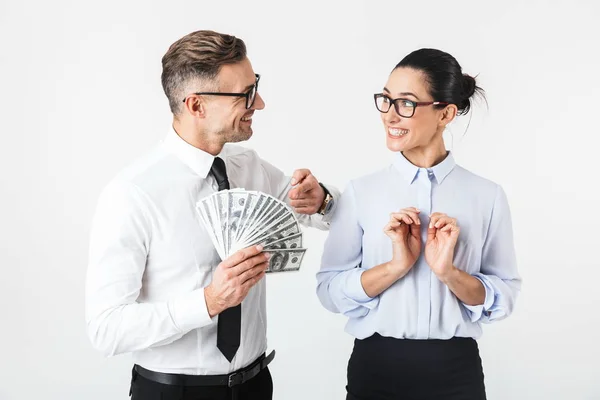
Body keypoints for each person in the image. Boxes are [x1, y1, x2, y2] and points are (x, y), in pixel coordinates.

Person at [85, 30, 338, 400]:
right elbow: (105, 329)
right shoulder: (132, 194)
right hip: (174, 392)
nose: (261, 103)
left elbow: (320, 214)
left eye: (256, 87)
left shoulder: (248, 166)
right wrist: (208, 302)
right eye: (245, 95)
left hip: (255, 386)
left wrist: (323, 201)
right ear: (196, 106)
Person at [316, 48, 521, 400]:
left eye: (407, 103)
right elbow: (329, 291)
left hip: (456, 370)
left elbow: (505, 296)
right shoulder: (361, 192)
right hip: (375, 367)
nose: (391, 115)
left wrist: (449, 274)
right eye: (386, 100)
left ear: (445, 113)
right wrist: (396, 267)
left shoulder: (487, 196)